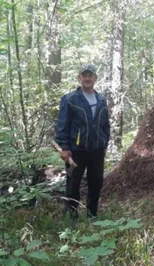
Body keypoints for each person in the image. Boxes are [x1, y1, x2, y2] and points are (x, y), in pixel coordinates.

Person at [55, 64, 110, 224]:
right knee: (73, 184)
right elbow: (62, 124)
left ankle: (92, 215)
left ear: (95, 78)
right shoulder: (70, 99)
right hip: (75, 151)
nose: (87, 78)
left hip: (97, 150)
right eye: (84, 75)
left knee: (96, 183)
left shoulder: (101, 100)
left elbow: (105, 124)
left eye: (90, 75)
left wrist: (104, 141)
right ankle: (72, 217)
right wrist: (64, 147)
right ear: (79, 78)